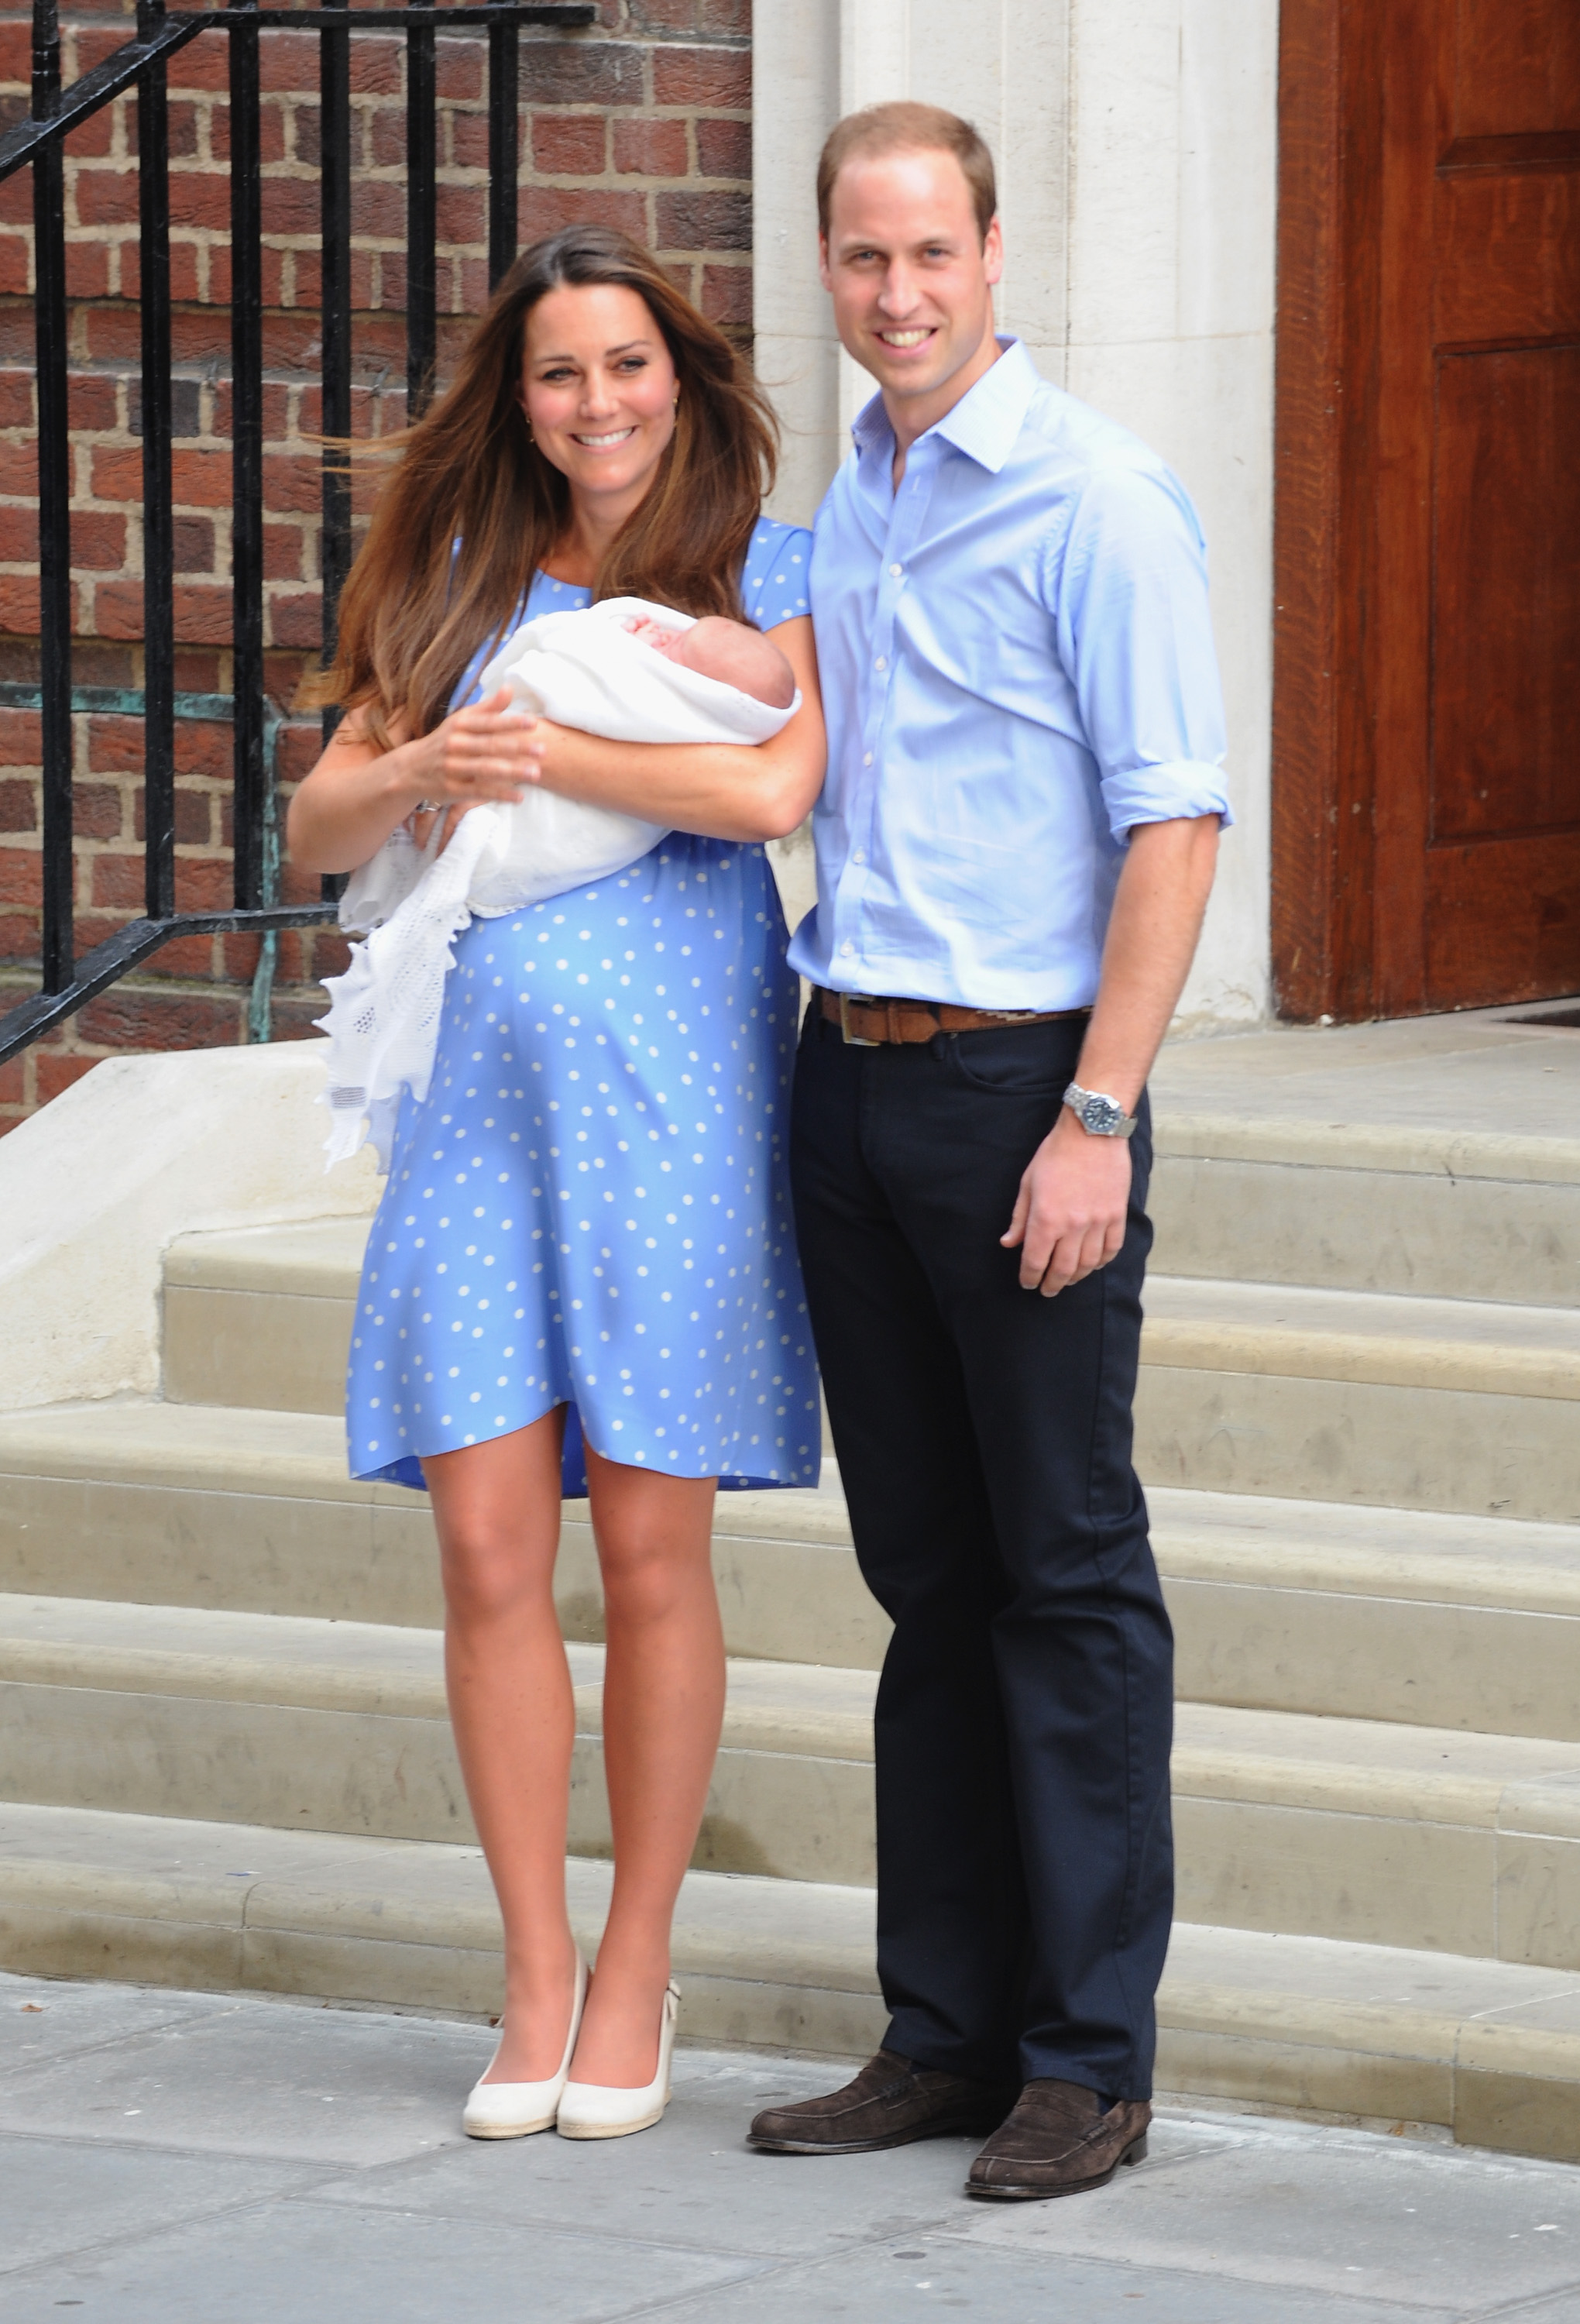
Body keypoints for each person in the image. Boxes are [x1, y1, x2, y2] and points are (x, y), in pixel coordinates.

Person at [287, 224, 826, 2143]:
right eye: (556, 373)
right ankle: (530, 1970)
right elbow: (325, 811)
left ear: (681, 375)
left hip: (674, 1111)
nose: (595, 402)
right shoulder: (452, 577)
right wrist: (436, 750)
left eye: (626, 365)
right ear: (514, 400)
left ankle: (637, 1965)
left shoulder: (763, 565)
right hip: (476, 1125)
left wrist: (551, 748)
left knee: (654, 1552)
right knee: (489, 1548)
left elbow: (774, 793)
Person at [746, 104, 1230, 2200]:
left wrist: (1099, 1114)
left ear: (997, 256)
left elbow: (1176, 822)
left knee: (1065, 1576)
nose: (898, 295)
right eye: (863, 259)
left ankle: (1084, 2061)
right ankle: (942, 2032)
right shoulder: (844, 495)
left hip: (1029, 1087)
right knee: (927, 1582)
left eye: (930, 253)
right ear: (831, 269)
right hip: (844, 1084)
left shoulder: (1098, 500)